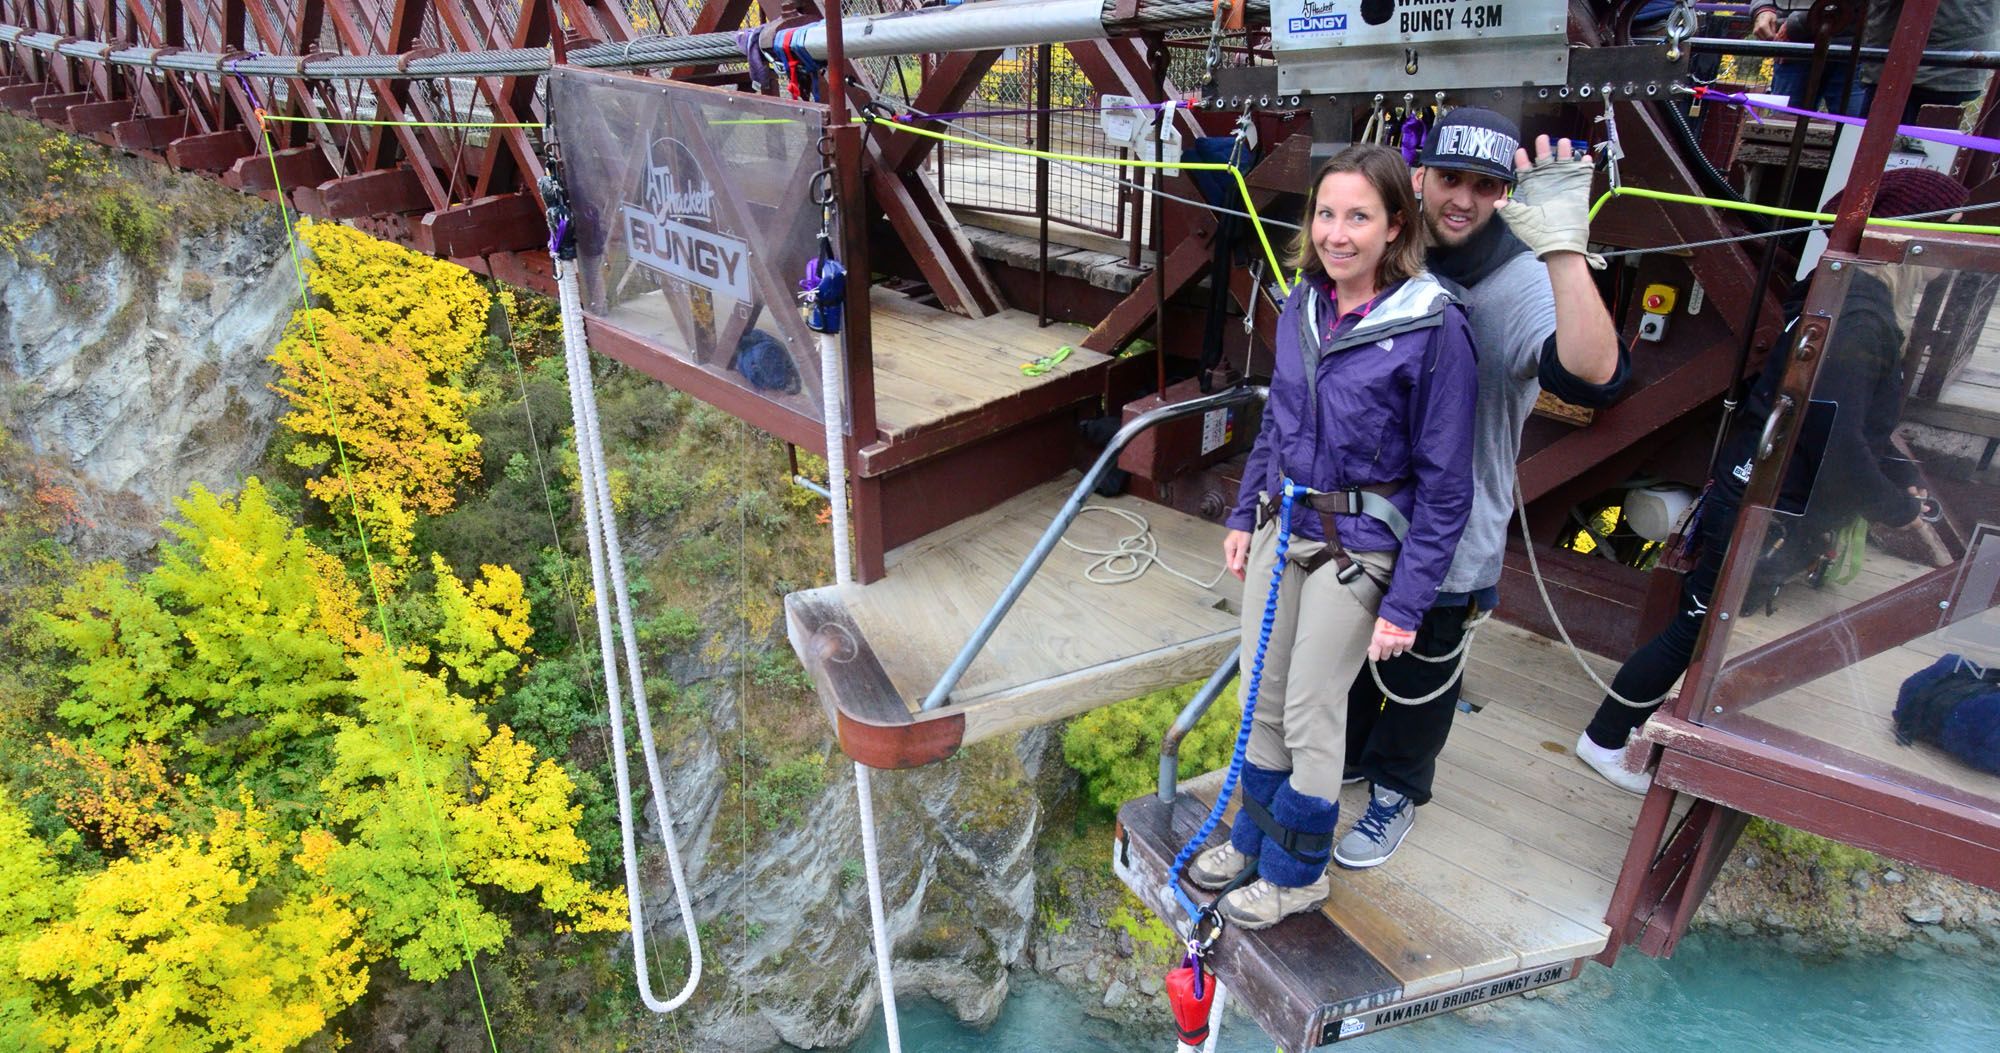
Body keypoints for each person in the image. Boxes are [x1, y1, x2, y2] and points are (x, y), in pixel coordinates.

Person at [1575, 166, 1966, 794]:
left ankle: (1635, 731)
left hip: (1762, 488)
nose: (1949, 257)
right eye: (1945, 234)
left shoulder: (1835, 295)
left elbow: (1846, 422)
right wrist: (1892, 507)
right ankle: (1605, 738)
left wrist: (1896, 478)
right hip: (1764, 496)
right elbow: (1834, 436)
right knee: (1695, 623)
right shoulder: (1859, 317)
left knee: (1704, 622)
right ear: (1910, 237)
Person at [1186, 144, 1477, 930]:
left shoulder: (1432, 328)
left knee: (1315, 708)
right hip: (1288, 523)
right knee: (1264, 696)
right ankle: (1252, 841)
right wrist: (1245, 513)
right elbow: (1279, 422)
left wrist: (1409, 604)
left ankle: (1296, 873)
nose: (1336, 233)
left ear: (1395, 228)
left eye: (1358, 217)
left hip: (1361, 544)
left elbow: (1447, 485)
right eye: (1325, 213)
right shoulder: (1303, 306)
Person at [1333, 109, 1627, 869]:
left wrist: (1564, 250)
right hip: (1367, 518)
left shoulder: (1523, 278)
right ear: (1420, 177)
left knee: (1426, 675)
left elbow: (1597, 375)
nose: (1462, 198)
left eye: (1485, 185)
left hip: (1454, 528)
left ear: (1504, 194)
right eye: (1449, 178)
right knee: (1358, 655)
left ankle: (1397, 789)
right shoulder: (1392, 256)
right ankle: (1357, 758)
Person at [1750, 2, 1868, 116]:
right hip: (1793, 48)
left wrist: (1795, 23)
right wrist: (1763, 8)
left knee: (1853, 127)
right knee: (1782, 127)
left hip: (1848, 48)